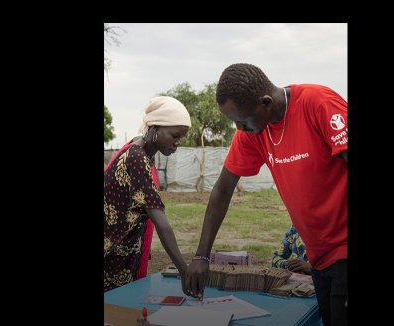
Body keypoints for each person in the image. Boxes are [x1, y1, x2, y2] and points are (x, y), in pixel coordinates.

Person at [183, 63, 347, 325]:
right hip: (319, 258)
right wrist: (201, 256)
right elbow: (223, 189)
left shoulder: (318, 103)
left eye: (242, 120)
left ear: (266, 103)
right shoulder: (253, 131)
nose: (238, 128)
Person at [104, 96, 191, 292]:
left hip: (120, 251)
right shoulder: (137, 158)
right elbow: (161, 222)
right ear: (154, 129)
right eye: (175, 135)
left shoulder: (138, 148)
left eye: (181, 137)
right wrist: (184, 269)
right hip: (113, 258)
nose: (178, 142)